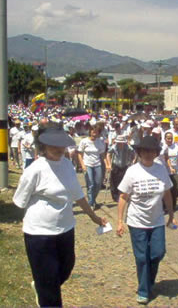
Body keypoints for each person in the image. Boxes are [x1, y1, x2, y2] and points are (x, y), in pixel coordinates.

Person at [13, 126, 107, 307]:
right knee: (50, 288)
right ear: (43, 146)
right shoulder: (35, 169)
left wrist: (94, 217)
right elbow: (20, 201)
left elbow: (78, 194)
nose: (58, 149)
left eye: (61, 145)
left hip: (65, 228)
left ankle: (41, 285)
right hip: (39, 232)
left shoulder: (67, 165)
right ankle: (45, 292)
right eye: (53, 145)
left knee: (66, 267)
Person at [116, 136, 176, 305]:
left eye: (152, 151)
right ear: (139, 152)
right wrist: (120, 221)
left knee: (158, 252)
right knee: (142, 257)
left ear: (156, 152)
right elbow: (123, 196)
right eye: (144, 151)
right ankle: (144, 290)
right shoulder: (132, 171)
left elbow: (167, 193)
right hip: (137, 222)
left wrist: (171, 214)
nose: (148, 154)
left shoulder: (161, 169)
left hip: (157, 220)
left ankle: (148, 281)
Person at [77, 124, 106, 209]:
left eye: (96, 131)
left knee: (98, 184)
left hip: (97, 164)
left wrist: (108, 164)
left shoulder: (100, 142)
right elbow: (79, 154)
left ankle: (93, 200)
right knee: (91, 184)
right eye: (93, 131)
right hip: (87, 164)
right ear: (90, 131)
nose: (94, 133)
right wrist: (82, 165)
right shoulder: (84, 141)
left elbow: (103, 155)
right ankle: (90, 203)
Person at [106, 135, 135, 202]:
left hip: (124, 165)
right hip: (116, 165)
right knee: (114, 181)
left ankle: (122, 195)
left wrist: (132, 161)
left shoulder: (128, 147)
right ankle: (115, 196)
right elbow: (108, 154)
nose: (120, 144)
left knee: (123, 181)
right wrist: (109, 164)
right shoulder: (114, 147)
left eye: (122, 142)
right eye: (119, 142)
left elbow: (134, 153)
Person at [162, 131, 178, 211]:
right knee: (166, 190)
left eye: (171, 138)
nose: (169, 140)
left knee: (175, 189)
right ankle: (165, 206)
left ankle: (173, 206)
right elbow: (164, 158)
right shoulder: (163, 148)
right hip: (165, 172)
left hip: (176, 172)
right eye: (168, 138)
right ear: (165, 139)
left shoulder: (177, 148)